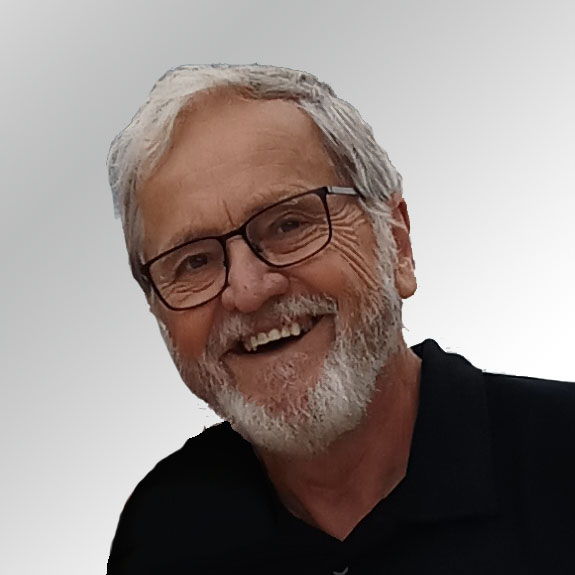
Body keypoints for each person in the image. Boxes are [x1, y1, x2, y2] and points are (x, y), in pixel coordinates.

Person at [106, 65, 575, 575]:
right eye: (194, 262)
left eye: (289, 224)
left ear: (396, 244)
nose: (248, 291)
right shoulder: (164, 532)